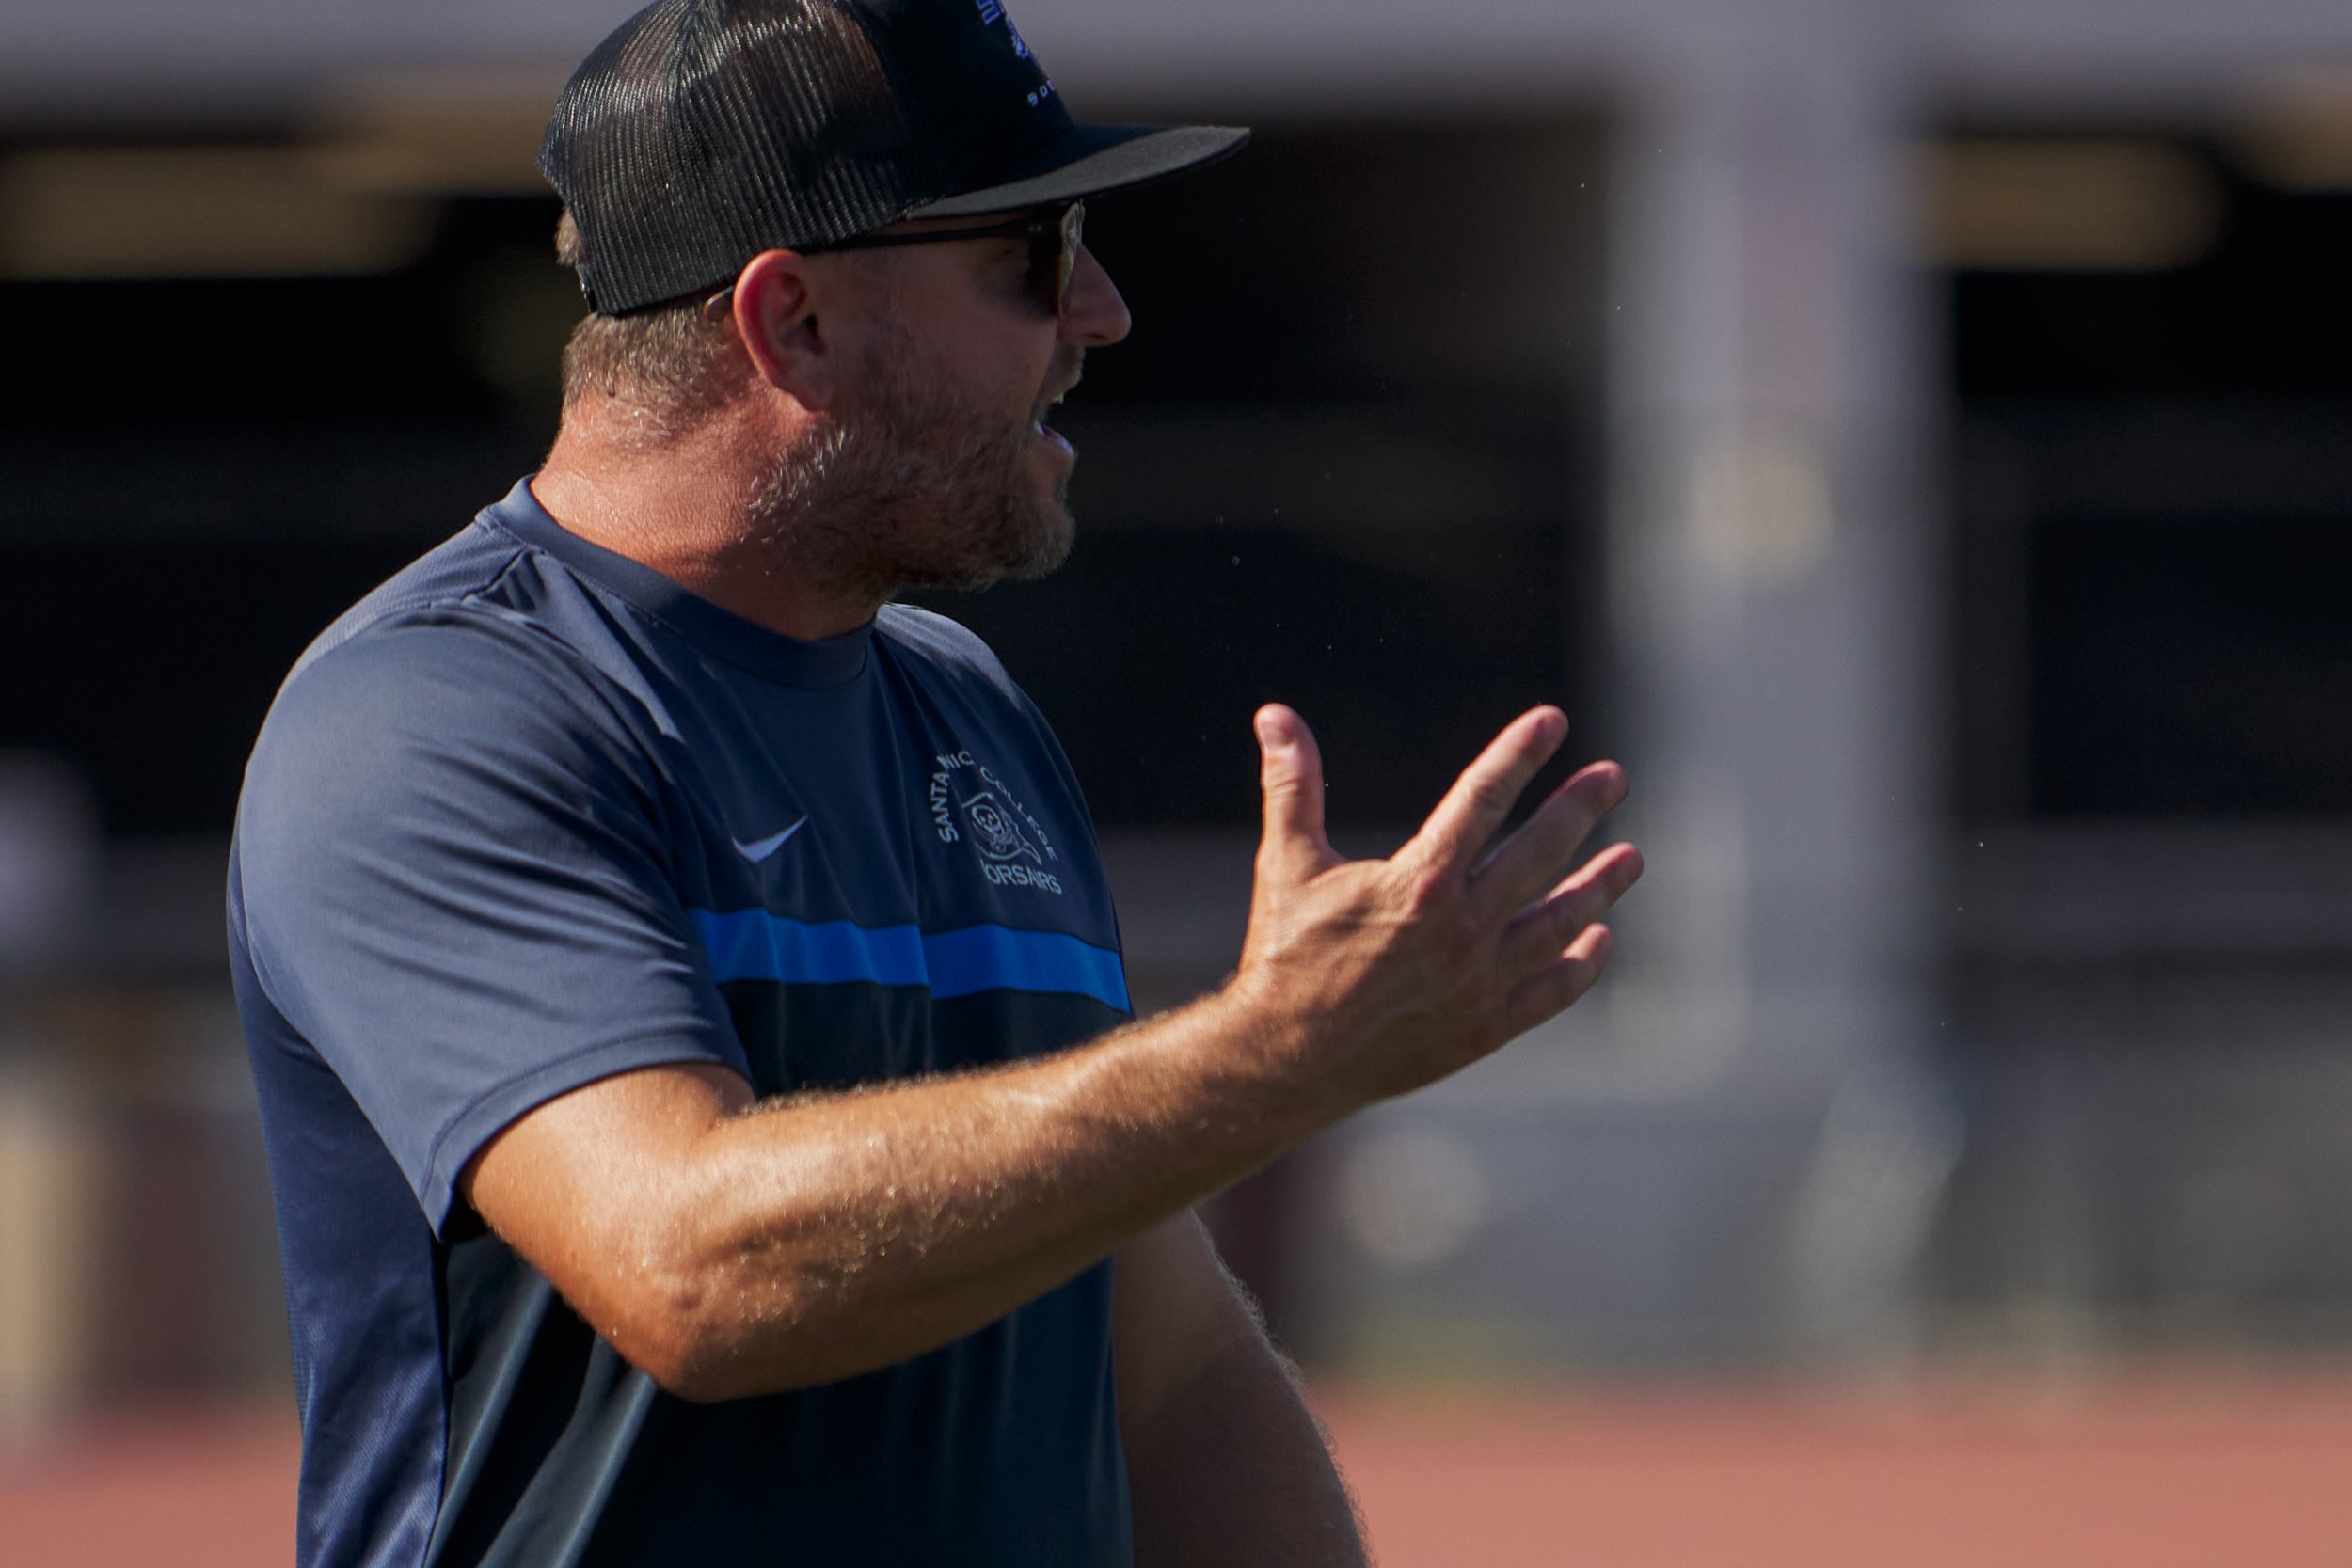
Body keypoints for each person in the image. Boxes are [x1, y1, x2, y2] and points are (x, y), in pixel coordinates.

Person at [228, 0, 1644, 1563]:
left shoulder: (964, 706)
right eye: (1028, 255)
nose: (1099, 311)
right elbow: (694, 1270)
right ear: (794, 324)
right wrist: (1271, 1059)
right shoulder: (440, 715)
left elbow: (1156, 1355)